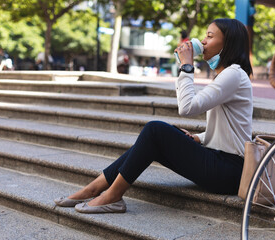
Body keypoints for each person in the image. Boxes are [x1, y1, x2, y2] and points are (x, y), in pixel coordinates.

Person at [54, 18, 253, 214]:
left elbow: (187, 108)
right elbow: (227, 128)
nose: (203, 42)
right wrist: (197, 137)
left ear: (228, 43)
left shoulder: (234, 74)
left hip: (229, 170)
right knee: (154, 137)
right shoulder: (227, 74)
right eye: (204, 36)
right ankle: (94, 188)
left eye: (210, 36)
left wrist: (187, 66)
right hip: (220, 162)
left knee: (155, 129)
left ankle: (111, 196)